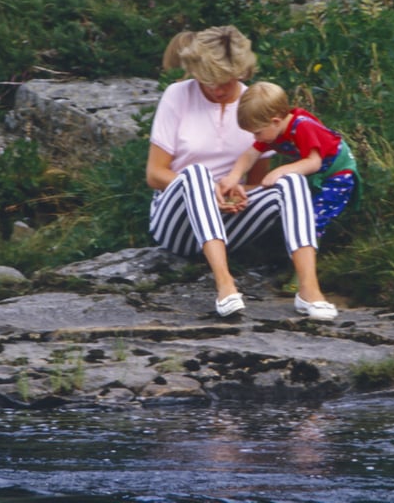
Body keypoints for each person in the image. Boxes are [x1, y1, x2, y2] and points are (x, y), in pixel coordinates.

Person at [146, 25, 338, 321]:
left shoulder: (255, 105)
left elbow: (257, 184)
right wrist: (211, 189)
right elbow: (155, 174)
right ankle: (225, 285)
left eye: (225, 80)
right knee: (196, 173)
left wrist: (237, 195)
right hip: (176, 222)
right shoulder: (177, 95)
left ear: (241, 71)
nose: (217, 89)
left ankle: (309, 291)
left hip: (230, 224)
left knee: (291, 180)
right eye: (207, 81)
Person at [218, 81, 361, 293]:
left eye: (257, 133)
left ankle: (302, 278)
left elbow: (314, 162)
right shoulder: (272, 130)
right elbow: (250, 154)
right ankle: (293, 263)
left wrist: (280, 171)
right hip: (318, 174)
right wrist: (234, 177)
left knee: (311, 220)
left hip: (337, 174)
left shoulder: (302, 127)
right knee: (298, 213)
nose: (255, 138)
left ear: (275, 121)